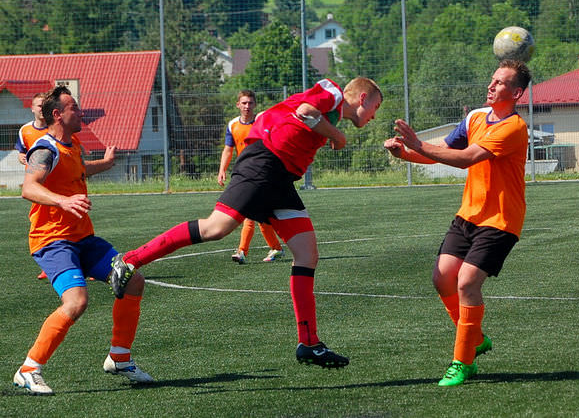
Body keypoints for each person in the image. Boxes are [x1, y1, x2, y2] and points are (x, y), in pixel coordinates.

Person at [110, 77, 383, 368]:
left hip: (280, 176)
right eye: (376, 107)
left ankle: (309, 343)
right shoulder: (332, 91)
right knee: (216, 228)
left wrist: (326, 132)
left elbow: (295, 117)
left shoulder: (334, 111)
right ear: (362, 97)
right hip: (265, 162)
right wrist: (337, 136)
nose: (375, 115)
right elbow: (305, 111)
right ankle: (128, 260)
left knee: (307, 252)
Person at [384, 59, 530, 387]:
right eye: (492, 80)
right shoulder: (475, 117)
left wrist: (417, 143)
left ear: (516, 93)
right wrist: (406, 155)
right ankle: (475, 337)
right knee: (441, 278)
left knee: (466, 283)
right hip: (468, 215)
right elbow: (445, 150)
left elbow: (466, 159)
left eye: (500, 83)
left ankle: (462, 362)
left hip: (501, 220)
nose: (491, 86)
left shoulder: (513, 128)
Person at [13, 86, 153, 395]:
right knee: (76, 302)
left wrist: (107, 163)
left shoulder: (72, 144)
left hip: (82, 237)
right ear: (57, 114)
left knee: (133, 280)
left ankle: (119, 357)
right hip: (52, 241)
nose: (81, 112)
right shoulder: (44, 149)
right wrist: (62, 202)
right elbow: (28, 188)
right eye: (74, 108)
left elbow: (78, 170)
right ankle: (28, 369)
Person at [217, 90, 285, 264]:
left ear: (255, 105)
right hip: (244, 173)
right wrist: (222, 169)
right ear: (238, 105)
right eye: (244, 103)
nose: (247, 106)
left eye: (250, 103)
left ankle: (242, 252)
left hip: (262, 172)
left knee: (249, 213)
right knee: (260, 216)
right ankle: (276, 248)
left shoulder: (262, 121)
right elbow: (228, 149)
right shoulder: (233, 125)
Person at [16, 92, 51, 280]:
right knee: (40, 224)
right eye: (39, 105)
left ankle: (88, 264)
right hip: (38, 186)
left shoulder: (54, 130)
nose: (41, 109)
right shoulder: (25, 131)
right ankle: (48, 265)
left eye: (44, 105)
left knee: (72, 223)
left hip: (58, 184)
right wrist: (21, 158)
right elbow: (22, 153)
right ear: (32, 108)